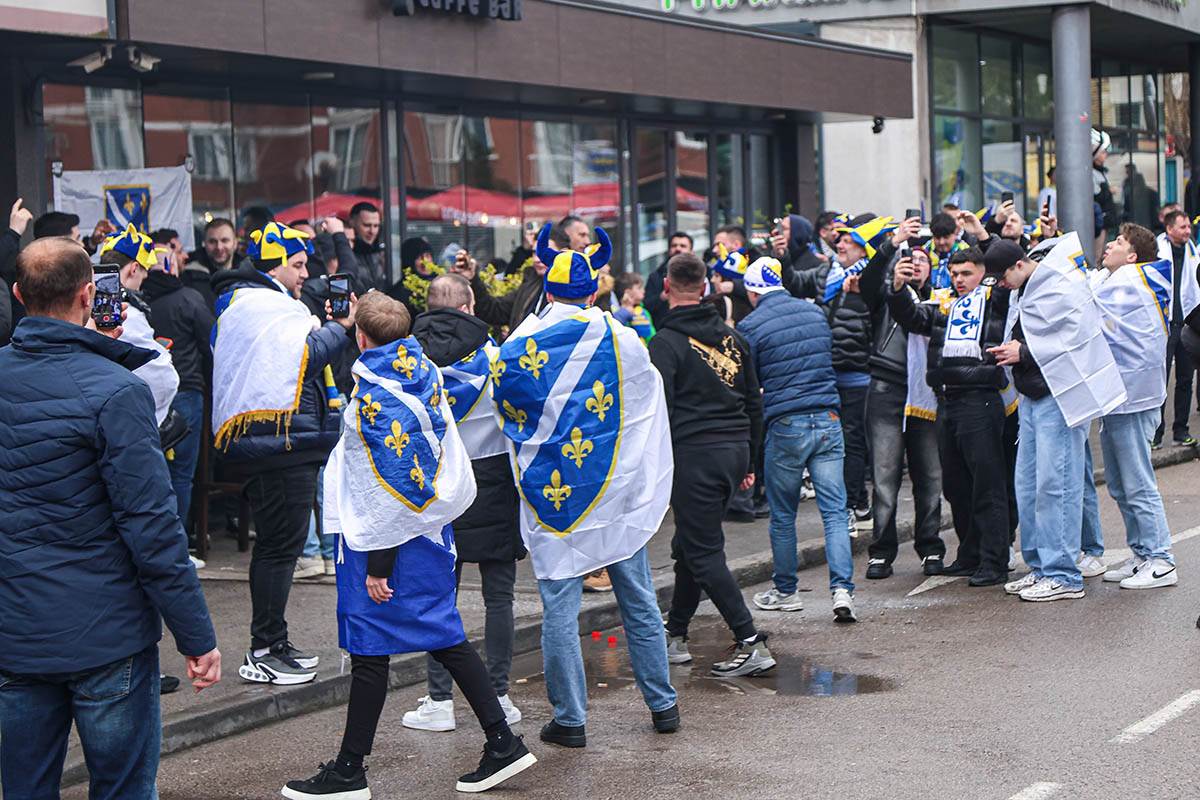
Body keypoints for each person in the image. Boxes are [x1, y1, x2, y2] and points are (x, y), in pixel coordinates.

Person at [283, 291, 535, 797]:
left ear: (360, 338)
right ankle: (500, 741)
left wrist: (379, 565)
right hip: (427, 534)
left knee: (373, 648)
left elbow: (391, 491)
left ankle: (351, 770)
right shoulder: (423, 373)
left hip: (386, 544)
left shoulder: (375, 399)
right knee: (441, 636)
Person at [0, 237, 220, 800]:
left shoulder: (110, 384)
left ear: (19, 294)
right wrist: (196, 636)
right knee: (122, 789)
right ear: (87, 295)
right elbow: (153, 527)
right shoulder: (117, 390)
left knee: (24, 787)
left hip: (19, 629)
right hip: (106, 633)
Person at [492, 223, 678, 748]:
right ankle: (663, 705)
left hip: (553, 499)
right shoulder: (623, 339)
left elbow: (507, 415)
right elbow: (645, 405)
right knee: (638, 598)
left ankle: (571, 719)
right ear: (593, 291)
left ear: (548, 291)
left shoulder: (517, 346)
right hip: (613, 494)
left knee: (559, 610)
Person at [211, 221, 356, 685]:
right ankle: (263, 648)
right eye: (297, 264)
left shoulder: (262, 301)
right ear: (274, 266)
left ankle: (274, 642)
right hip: (277, 445)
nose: (305, 273)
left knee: (283, 547)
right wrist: (338, 327)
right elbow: (302, 359)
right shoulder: (257, 304)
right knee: (278, 549)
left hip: (286, 443)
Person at [403, 273, 526, 733]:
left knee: (441, 597)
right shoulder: (497, 358)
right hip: (493, 480)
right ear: (470, 307)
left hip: (439, 483)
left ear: (429, 307)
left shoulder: (412, 361)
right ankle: (499, 696)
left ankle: (440, 701)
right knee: (499, 598)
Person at [649, 252, 775, 675]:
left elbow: (659, 412)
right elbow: (754, 403)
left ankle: (750, 640)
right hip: (733, 450)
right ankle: (676, 633)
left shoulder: (664, 344)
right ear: (705, 288)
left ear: (667, 288)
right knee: (690, 545)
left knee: (702, 552)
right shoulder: (733, 338)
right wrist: (750, 460)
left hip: (695, 456)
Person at [990, 236, 1125, 602]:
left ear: (1019, 264)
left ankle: (1063, 574)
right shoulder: (1026, 286)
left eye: (1002, 277)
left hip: (1060, 395)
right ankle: (1041, 567)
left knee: (1057, 484)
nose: (1001, 285)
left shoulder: (1060, 283)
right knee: (1029, 485)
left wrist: (1024, 351)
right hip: (1033, 394)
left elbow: (1078, 337)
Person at [738, 256, 857, 622]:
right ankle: (842, 591)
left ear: (753, 292)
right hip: (827, 417)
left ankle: (786, 591)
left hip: (786, 422)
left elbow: (750, 383)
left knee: (783, 514)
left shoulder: (750, 325)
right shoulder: (814, 312)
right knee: (835, 512)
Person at [888, 246, 1013, 586]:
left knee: (987, 484)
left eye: (966, 274)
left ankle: (994, 560)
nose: (959, 280)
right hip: (946, 401)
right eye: (955, 274)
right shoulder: (944, 304)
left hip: (980, 400)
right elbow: (913, 318)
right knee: (956, 486)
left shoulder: (994, 300)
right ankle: (969, 554)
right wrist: (897, 289)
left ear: (982, 274)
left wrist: (984, 234)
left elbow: (1004, 266)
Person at [1088, 223, 1180, 589]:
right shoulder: (1119, 282)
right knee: (1120, 484)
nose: (1109, 245)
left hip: (1134, 399)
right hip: (1117, 397)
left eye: (1119, 242)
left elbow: (1087, 301)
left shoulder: (1132, 283)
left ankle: (1161, 559)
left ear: (1133, 257)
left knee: (1137, 482)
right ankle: (1142, 554)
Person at [857, 215, 946, 578]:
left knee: (930, 476)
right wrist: (892, 244)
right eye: (911, 260)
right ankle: (881, 551)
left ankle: (931, 547)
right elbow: (867, 281)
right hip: (887, 390)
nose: (917, 265)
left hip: (926, 395)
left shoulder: (941, 300)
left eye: (924, 261)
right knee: (884, 477)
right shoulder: (886, 296)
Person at [141, 227, 217, 547]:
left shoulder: (134, 303)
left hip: (141, 396)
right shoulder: (189, 298)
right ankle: (178, 545)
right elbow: (212, 344)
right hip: (186, 392)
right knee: (182, 473)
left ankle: (154, 545)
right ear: (171, 267)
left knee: (148, 473)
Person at [98, 225, 181, 426]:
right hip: (125, 419)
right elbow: (161, 378)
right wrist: (164, 356)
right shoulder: (127, 314)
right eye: (143, 275)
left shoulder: (88, 305)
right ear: (134, 269)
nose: (143, 281)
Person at [1153, 209, 1200, 448]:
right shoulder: (1157, 250)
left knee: (1185, 380)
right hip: (1165, 325)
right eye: (1183, 227)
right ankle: (1156, 434)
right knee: (1160, 381)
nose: (1188, 231)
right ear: (1169, 229)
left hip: (1186, 325)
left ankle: (1180, 431)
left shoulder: (1192, 251)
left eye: (1189, 226)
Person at [186, 217, 242, 308]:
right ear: (204, 243)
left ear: (235, 243)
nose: (219, 247)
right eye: (212, 241)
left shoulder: (248, 275)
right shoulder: (189, 273)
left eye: (224, 240)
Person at [644, 231, 693, 324]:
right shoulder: (656, 276)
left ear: (691, 251)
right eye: (674, 245)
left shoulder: (702, 274)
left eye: (683, 246)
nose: (678, 248)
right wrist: (662, 297)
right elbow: (646, 306)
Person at [351, 201, 386, 289]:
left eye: (376, 226)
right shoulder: (345, 253)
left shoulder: (382, 253)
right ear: (352, 223)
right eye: (366, 225)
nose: (372, 231)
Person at [614, 271, 656, 343]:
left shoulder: (644, 312)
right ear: (627, 292)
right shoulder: (616, 311)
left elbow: (652, 337)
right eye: (639, 288)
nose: (643, 291)